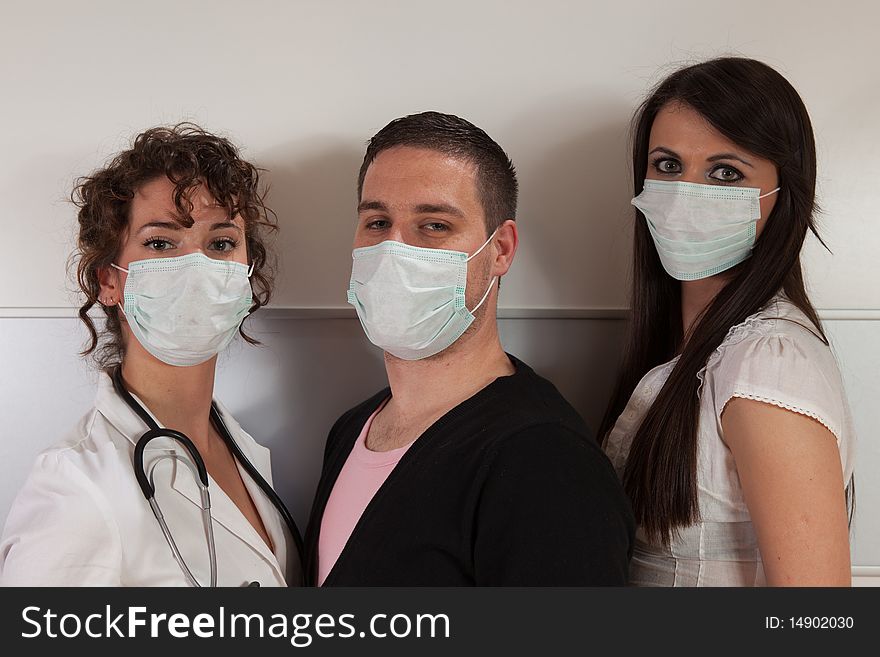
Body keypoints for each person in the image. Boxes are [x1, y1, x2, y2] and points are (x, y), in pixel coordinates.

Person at [304, 111, 634, 586]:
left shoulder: (543, 462)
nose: (395, 250)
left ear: (500, 249)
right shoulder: (352, 429)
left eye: (434, 225)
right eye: (377, 221)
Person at [0, 124, 303, 586]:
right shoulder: (76, 488)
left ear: (246, 271)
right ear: (108, 280)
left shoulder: (243, 448)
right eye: (160, 243)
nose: (197, 265)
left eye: (221, 243)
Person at [600, 57, 856, 586]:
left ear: (784, 194)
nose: (688, 192)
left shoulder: (767, 366)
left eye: (726, 172)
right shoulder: (689, 351)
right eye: (668, 166)